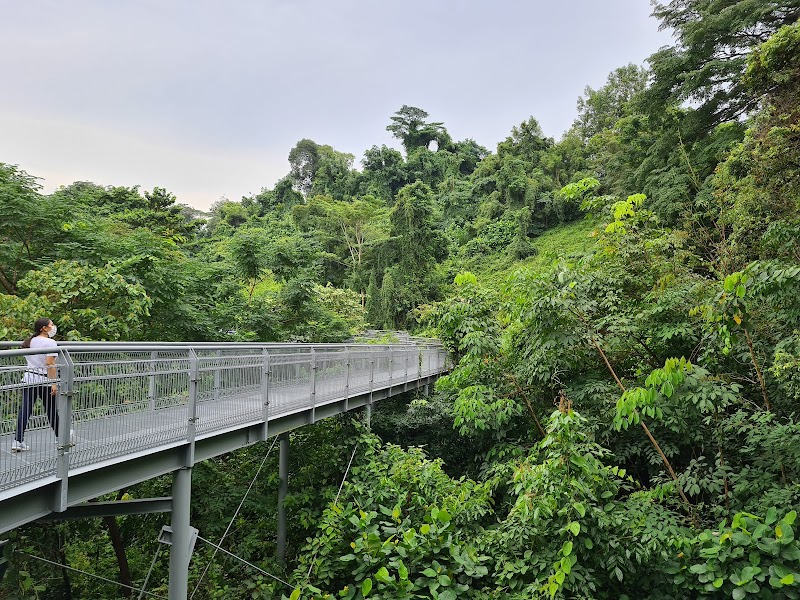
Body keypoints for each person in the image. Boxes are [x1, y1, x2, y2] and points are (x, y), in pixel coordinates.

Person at [12, 318, 65, 452]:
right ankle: (60, 437)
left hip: (29, 378)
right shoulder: (50, 342)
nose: (53, 327)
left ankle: (18, 440)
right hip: (44, 381)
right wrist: (54, 383)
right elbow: (49, 363)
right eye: (51, 325)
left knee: (25, 410)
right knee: (52, 410)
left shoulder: (31, 341)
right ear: (44, 328)